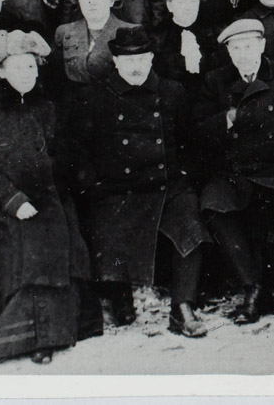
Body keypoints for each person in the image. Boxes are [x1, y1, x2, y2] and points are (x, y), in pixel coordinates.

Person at [0, 30, 103, 363]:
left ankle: (61, 329)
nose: (26, 73)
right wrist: (14, 201)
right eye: (17, 67)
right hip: (4, 206)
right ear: (1, 71)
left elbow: (66, 158)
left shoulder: (50, 109)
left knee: (64, 235)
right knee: (31, 243)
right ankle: (32, 337)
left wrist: (68, 184)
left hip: (50, 198)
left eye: (31, 66)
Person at [69, 26, 212, 337]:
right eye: (127, 59)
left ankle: (182, 306)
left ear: (151, 59)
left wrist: (185, 175)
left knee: (189, 222)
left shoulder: (172, 91)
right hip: (116, 186)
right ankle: (121, 297)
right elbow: (79, 150)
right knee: (107, 224)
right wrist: (93, 185)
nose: (135, 66)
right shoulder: (94, 97)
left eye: (143, 59)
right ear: (116, 62)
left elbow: (191, 141)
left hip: (166, 184)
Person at [195, 19, 274, 331]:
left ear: (262, 45)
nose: (243, 53)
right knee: (213, 203)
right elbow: (197, 131)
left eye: (249, 45)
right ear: (228, 52)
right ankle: (252, 287)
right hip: (234, 171)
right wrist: (225, 119)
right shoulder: (215, 81)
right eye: (236, 48)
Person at [53, 0, 134, 87]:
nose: (91, 2)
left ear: (112, 0)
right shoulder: (64, 32)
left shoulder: (131, 32)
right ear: (78, 0)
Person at [152, 0, 220, 93]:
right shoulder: (157, 37)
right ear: (170, 5)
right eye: (181, 2)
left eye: (193, 2)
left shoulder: (213, 35)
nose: (188, 7)